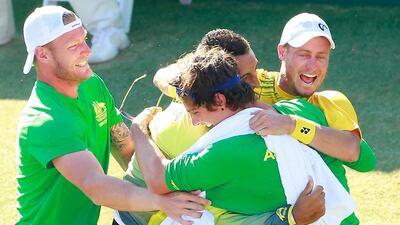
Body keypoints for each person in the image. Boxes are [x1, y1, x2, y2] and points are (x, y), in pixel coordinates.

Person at [151, 20, 376, 224]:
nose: (256, 83)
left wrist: (292, 125)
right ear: (282, 52)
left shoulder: (328, 102)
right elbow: (163, 76)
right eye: (303, 54)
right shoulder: (208, 111)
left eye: (321, 56)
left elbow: (362, 159)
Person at [16, 6, 209, 225]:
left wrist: (168, 181)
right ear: (43, 54)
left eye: (84, 39)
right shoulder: (46, 120)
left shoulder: (91, 85)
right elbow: (96, 186)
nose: (87, 50)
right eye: (73, 45)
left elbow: (125, 150)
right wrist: (161, 202)